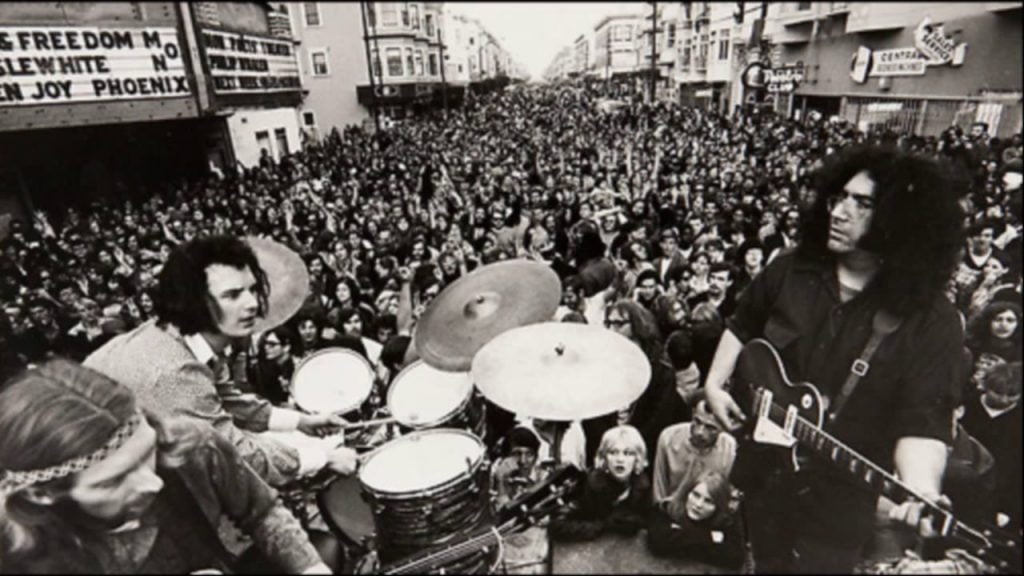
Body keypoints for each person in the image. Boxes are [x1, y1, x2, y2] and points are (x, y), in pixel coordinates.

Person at [703, 145, 967, 572]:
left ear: (904, 221)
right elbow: (742, 323)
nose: (839, 212)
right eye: (839, 197)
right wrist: (715, 383)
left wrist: (921, 491)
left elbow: (924, 419)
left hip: (839, 502)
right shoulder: (791, 267)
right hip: (763, 475)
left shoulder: (933, 321)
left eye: (862, 204)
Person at [0, 358, 331, 574]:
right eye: (114, 480)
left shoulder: (194, 447)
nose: (153, 484)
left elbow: (261, 511)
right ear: (42, 494)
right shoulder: (18, 559)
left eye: (148, 452)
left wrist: (310, 568)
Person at [85, 236, 358, 488]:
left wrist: (301, 421)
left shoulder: (183, 337)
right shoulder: (172, 373)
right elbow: (231, 455)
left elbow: (228, 400)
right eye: (232, 295)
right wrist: (324, 458)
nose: (252, 303)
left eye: (252, 289)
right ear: (194, 301)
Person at [549, 425, 651, 541]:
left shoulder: (645, 487)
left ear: (637, 458)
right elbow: (557, 526)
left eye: (628, 453)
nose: (620, 459)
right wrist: (603, 526)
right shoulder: (588, 485)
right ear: (604, 458)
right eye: (613, 452)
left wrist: (638, 523)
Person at [646, 470, 745, 570]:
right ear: (686, 493)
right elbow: (658, 543)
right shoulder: (666, 509)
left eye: (708, 501)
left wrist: (679, 535)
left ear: (719, 506)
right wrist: (710, 536)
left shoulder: (725, 523)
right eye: (695, 495)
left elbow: (735, 559)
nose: (698, 505)